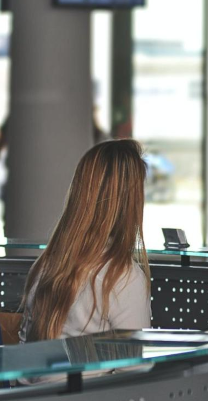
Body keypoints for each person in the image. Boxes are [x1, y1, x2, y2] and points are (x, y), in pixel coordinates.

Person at [19, 139, 151, 342]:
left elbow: (24, 348)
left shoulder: (45, 264)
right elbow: (134, 369)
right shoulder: (123, 278)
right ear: (130, 202)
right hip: (97, 376)